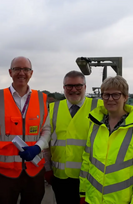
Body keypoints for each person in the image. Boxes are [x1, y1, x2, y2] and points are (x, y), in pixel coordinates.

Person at [0, 56, 51, 204]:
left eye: (26, 69)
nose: (22, 73)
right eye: (17, 69)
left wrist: (37, 147)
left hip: (34, 171)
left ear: (31, 73)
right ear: (10, 72)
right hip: (4, 173)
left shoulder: (41, 99)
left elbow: (46, 130)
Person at [79, 75, 133, 204]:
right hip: (93, 199)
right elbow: (87, 161)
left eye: (116, 95)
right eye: (106, 95)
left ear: (125, 97)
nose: (110, 99)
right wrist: (83, 192)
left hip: (122, 201)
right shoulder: (95, 124)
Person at [44, 70, 103, 204]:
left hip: (90, 177)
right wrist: (47, 169)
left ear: (85, 87)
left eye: (78, 86)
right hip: (60, 177)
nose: (74, 89)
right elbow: (46, 143)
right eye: (69, 86)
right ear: (63, 88)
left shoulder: (99, 107)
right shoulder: (53, 109)